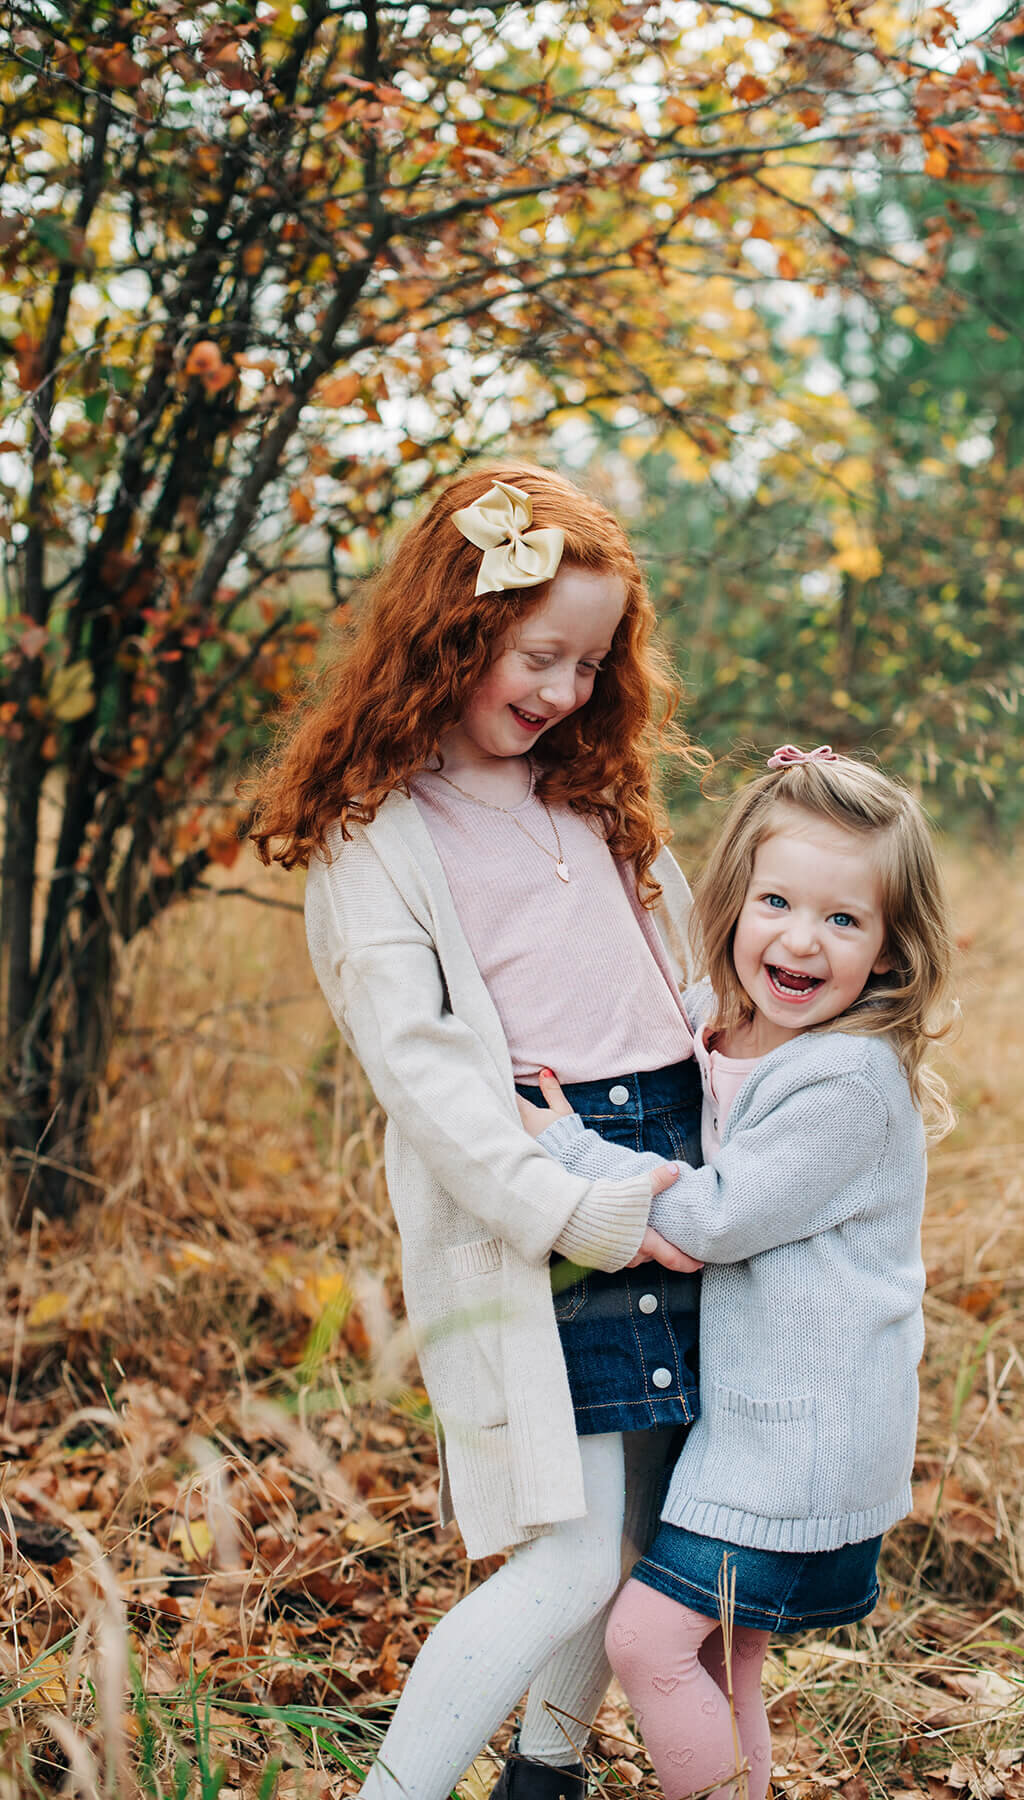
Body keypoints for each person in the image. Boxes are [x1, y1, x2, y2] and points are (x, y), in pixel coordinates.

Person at [249, 465, 711, 1799]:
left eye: (591, 663)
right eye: (537, 655)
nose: (564, 690)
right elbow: (427, 1070)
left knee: (634, 1530)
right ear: (455, 630)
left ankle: (548, 1770)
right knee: (563, 1548)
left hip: (670, 1157)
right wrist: (571, 1205)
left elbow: (670, 975)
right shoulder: (377, 830)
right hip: (539, 1195)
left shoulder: (591, 788)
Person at [519, 744, 955, 1800]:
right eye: (776, 902)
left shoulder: (846, 1082)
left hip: (798, 1445)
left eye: (843, 921)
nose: (800, 938)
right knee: (719, 1659)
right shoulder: (760, 1038)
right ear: (734, 902)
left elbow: (711, 1218)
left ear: (890, 953)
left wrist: (566, 1147)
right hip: (765, 1429)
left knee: (647, 1643)